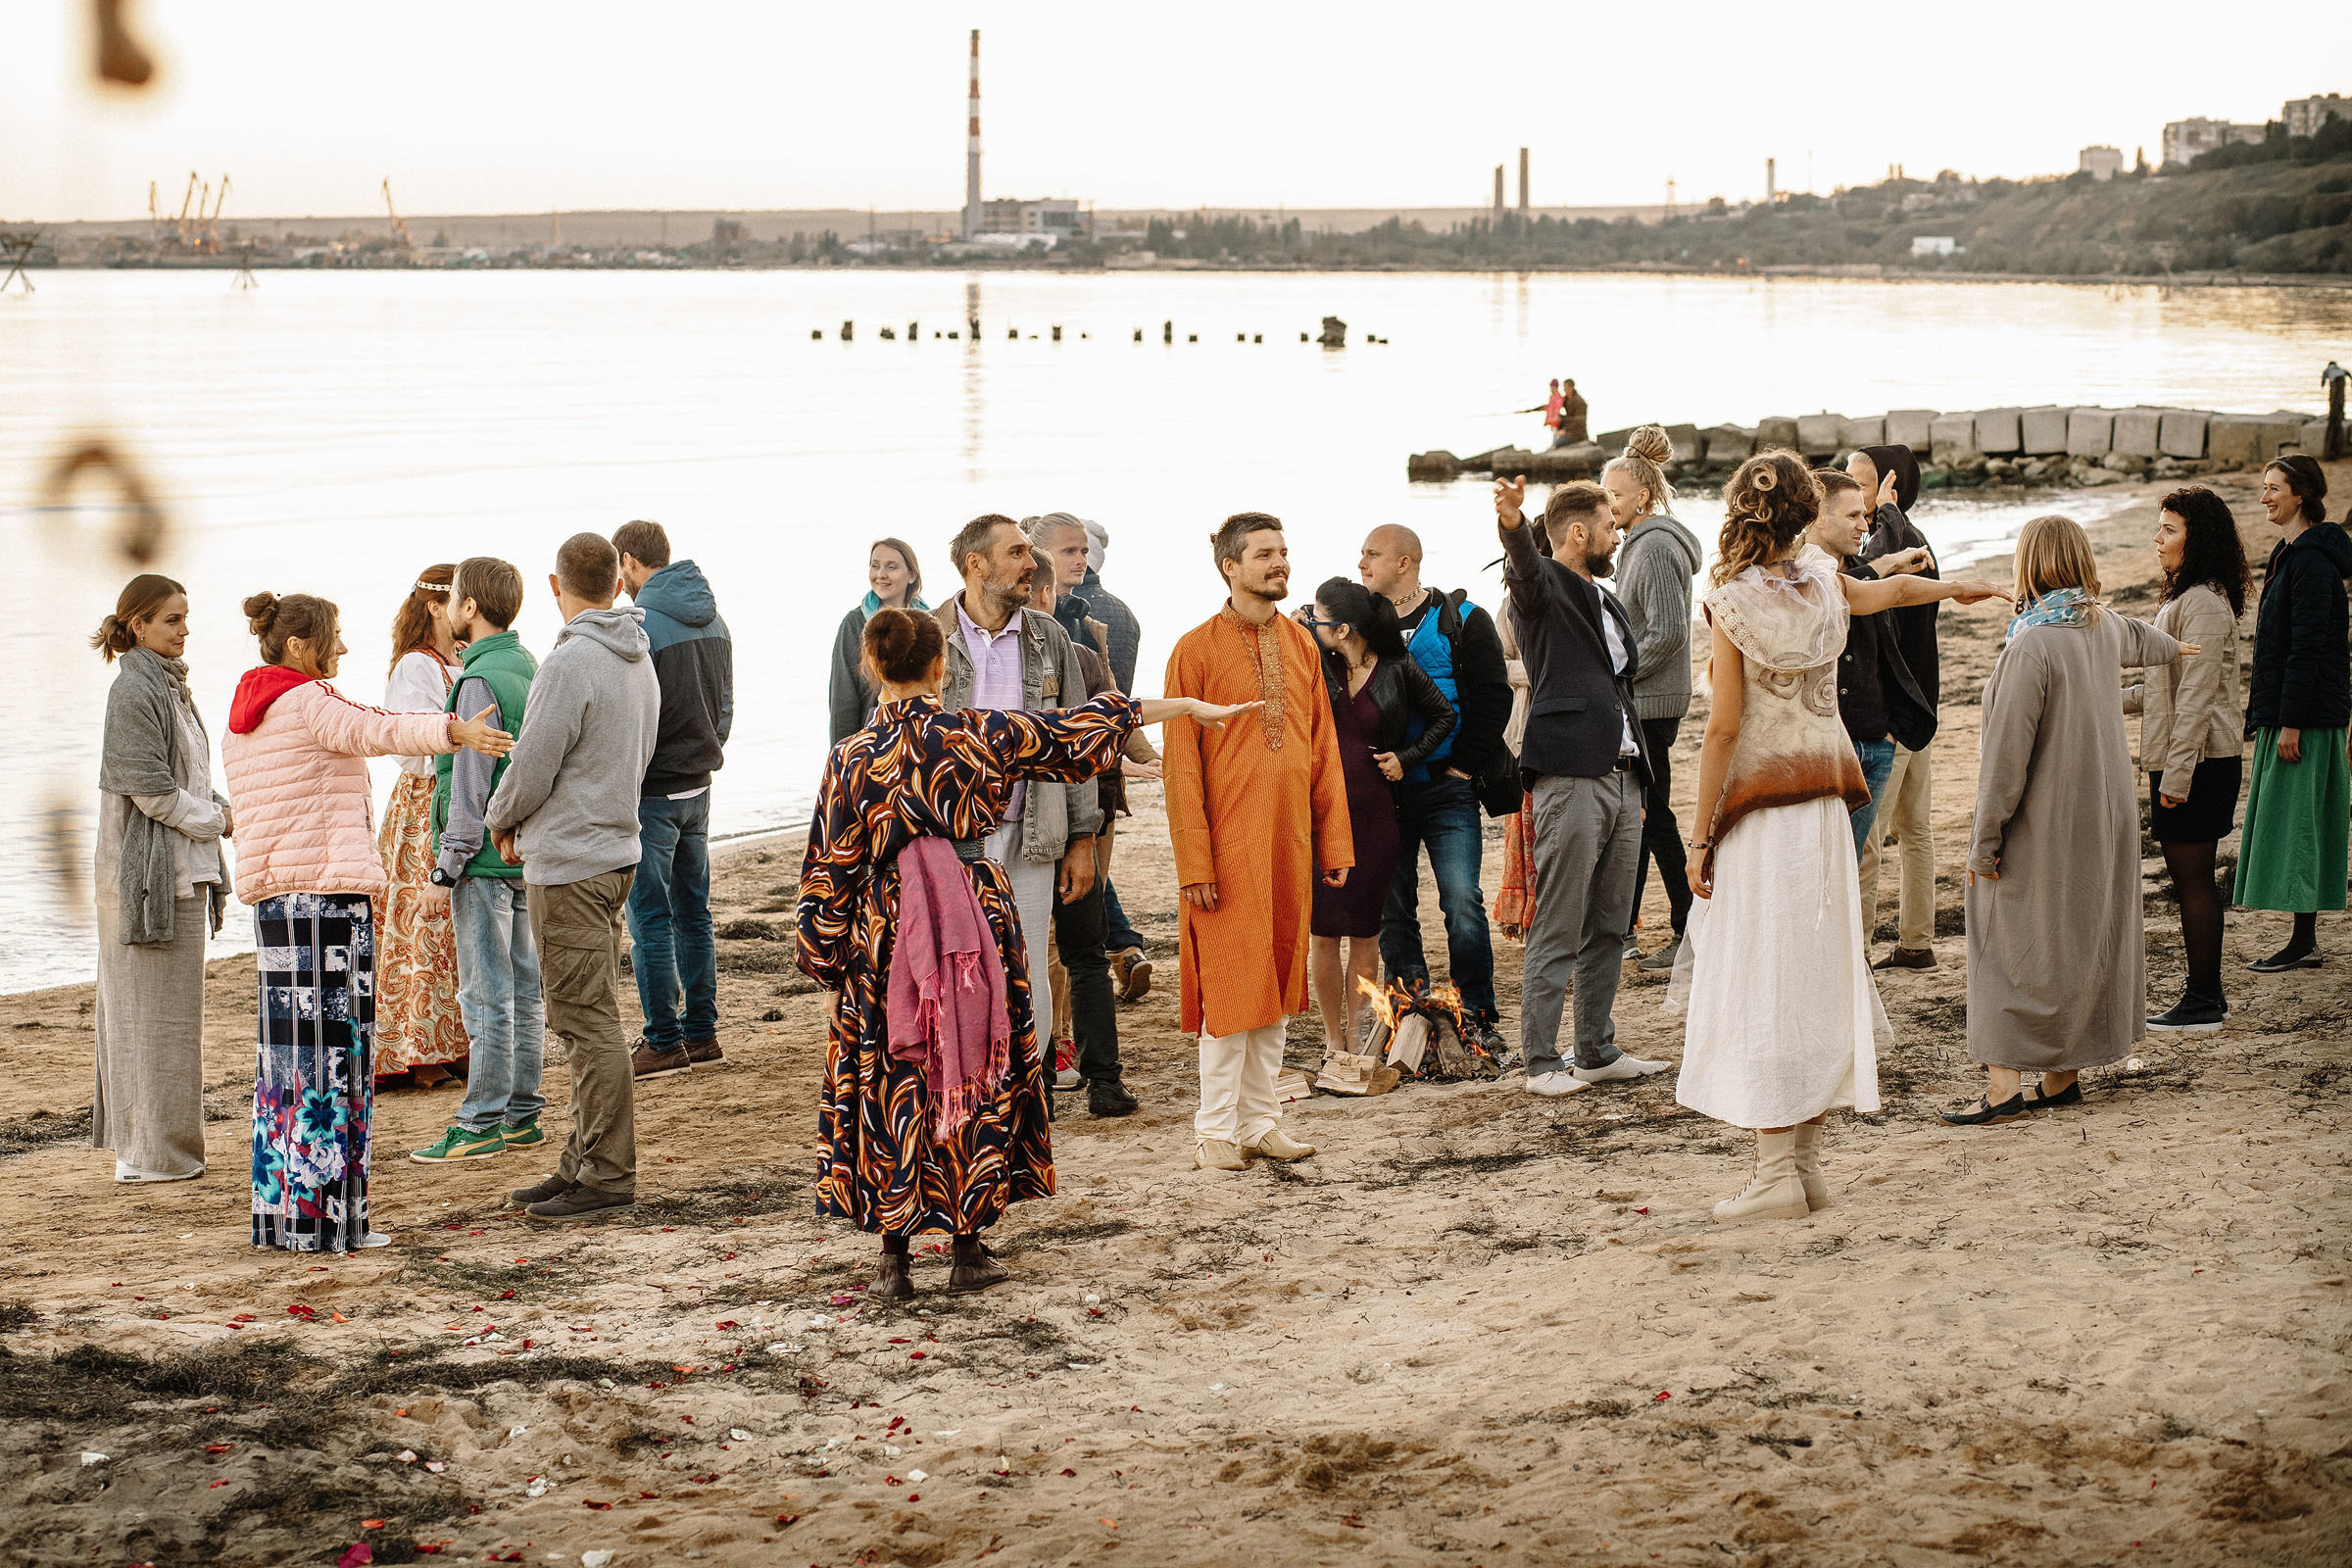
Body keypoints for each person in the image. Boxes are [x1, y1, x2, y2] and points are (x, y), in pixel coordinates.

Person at [796, 608, 1254, 1297]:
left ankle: (893, 1257)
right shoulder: (978, 732)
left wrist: (831, 970)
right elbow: (1082, 727)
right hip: (973, 912)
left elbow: (828, 872)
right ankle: (966, 1247)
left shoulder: (850, 757)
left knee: (895, 1072)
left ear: (872, 668)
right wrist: (1185, 706)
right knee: (974, 1059)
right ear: (941, 666)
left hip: (887, 928)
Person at [1670, 455, 2004, 1215]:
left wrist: (1698, 837)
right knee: (1817, 972)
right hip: (1824, 809)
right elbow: (1893, 591)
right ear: (1803, 515)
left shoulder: (1731, 601)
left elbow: (1723, 730)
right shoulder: (1824, 584)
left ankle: (1774, 1174)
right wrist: (1957, 586)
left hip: (1761, 815)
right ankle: (1804, 1166)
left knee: (1765, 974)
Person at [221, 590, 514, 1250]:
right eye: (335, 637)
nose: (345, 648)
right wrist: (454, 731)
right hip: (327, 905)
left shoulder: (247, 714)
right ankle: (329, 1226)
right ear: (299, 646)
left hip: (277, 907)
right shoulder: (309, 702)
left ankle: (283, 1221)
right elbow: (376, 727)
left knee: (287, 1064)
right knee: (335, 1061)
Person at [1949, 515, 2191, 1127]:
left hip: (2047, 819)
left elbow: (2006, 762)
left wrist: (1985, 842)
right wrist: (2179, 647)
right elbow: (2145, 639)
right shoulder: (2098, 624)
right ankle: (2061, 1079)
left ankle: (2003, 1087)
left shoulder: (2032, 644)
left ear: (2029, 564)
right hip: (2104, 815)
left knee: (2001, 936)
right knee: (2079, 937)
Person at [1166, 514, 1354, 1170]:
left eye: (1283, 552)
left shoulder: (1301, 645)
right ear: (1230, 566)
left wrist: (1334, 843)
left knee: (1277, 982)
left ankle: (1260, 1122)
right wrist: (1195, 861)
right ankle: (1215, 1130)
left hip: (1288, 846)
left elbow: (1323, 749)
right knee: (1231, 986)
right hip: (1225, 851)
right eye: (1264, 554)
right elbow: (1181, 767)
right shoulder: (1194, 650)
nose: (1279, 564)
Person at [486, 533, 662, 1222]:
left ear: (556, 586)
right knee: (583, 1013)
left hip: (572, 864)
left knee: (586, 1021)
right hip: (614, 850)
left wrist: (501, 818)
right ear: (617, 584)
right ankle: (580, 1162)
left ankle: (608, 1174)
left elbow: (532, 764)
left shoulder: (571, 662)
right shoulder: (637, 656)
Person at [1492, 479, 1667, 1097]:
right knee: (1560, 921)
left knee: (1611, 923)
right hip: (1570, 774)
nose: (1617, 536)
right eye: (1610, 526)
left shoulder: (1607, 599)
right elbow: (1523, 568)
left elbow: (1621, 683)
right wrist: (1514, 523)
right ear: (1577, 531)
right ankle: (1540, 1063)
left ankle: (1595, 1051)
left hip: (1624, 775)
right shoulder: (1542, 586)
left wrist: (1637, 780)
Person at [933, 514, 1102, 1098]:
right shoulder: (928, 634)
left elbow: (1077, 745)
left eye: (1031, 552)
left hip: (1034, 834)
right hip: (949, 839)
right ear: (975, 563)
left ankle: (1025, 1092)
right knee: (956, 966)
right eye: (1017, 553)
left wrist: (1082, 838)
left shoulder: (1049, 637)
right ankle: (966, 1091)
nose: (1032, 564)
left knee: (1028, 968)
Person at [91, 574, 230, 1184]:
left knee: (172, 1022)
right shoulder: (133, 691)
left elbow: (188, 781)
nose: (184, 630)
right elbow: (152, 794)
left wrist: (224, 807)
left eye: (185, 617)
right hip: (147, 878)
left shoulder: (171, 688)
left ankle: (163, 1150)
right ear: (138, 625)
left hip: (180, 870)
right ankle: (148, 1156)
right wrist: (220, 821)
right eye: (172, 619)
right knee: (145, 1019)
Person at [409, 557, 546, 1164]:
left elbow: (469, 784)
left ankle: (481, 1120)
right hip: (524, 854)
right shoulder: (530, 667)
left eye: (455, 600)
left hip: (484, 861)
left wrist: (447, 867)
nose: (448, 611)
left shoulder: (476, 681)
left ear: (469, 607)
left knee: (485, 994)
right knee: (525, 990)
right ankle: (522, 1114)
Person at [1356, 523, 1511, 1055]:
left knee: (1462, 901)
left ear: (1404, 563)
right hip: (1385, 793)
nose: (1361, 564)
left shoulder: (1462, 619)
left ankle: (1478, 1014)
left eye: (1372, 554)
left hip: (1448, 788)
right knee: (1393, 906)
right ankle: (1411, 1011)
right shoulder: (1359, 626)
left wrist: (1463, 768)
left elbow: (1494, 698)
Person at [1022, 517, 1154, 1116]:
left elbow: (1106, 724)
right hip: (1056, 817)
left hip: (1069, 815)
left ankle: (1088, 1076)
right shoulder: (1076, 645)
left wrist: (1091, 822)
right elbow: (1108, 727)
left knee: (1068, 950)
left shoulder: (1085, 643)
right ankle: (1080, 1075)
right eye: (1068, 552)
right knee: (1075, 952)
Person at [1298, 577, 1455, 1055]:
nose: (1313, 622)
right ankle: (1333, 1038)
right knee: (1324, 932)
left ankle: (1357, 1034)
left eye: (1320, 618)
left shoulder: (1397, 667)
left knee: (1366, 932)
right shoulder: (1315, 661)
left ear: (1344, 629)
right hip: (1320, 812)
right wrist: (1303, 623)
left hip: (1374, 811)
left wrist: (1407, 758)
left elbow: (1444, 715)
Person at [612, 520, 734, 1079]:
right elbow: (725, 704)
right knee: (693, 913)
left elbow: (632, 716)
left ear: (629, 561)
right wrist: (708, 749)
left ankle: (663, 1039)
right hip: (698, 783)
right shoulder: (715, 618)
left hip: (654, 790)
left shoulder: (642, 625)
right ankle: (702, 1033)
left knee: (651, 919)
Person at [2124, 489, 2249, 1031]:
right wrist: (2097, 693)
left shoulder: (2201, 603)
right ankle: (2205, 996)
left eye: (2169, 529)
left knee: (2194, 882)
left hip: (2199, 762)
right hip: (2190, 759)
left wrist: (2176, 777)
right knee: (2190, 880)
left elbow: (2196, 697)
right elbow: (2163, 688)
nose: (2158, 539)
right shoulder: (2193, 597)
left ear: (2196, 539)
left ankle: (2203, 1001)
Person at [2234, 456, 2351, 971]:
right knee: (2293, 824)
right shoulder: (2288, 553)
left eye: (2273, 488)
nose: (2264, 497)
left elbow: (2309, 647)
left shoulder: (2312, 562)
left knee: (2301, 826)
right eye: (2264, 488)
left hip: (2306, 718)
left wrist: (2292, 722)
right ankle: (2304, 940)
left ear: (2300, 495)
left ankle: (2304, 942)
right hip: (2289, 712)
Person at [1604, 425, 1705, 970]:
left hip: (1652, 702)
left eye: (1615, 495)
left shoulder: (1658, 547)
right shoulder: (1639, 546)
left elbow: (1667, 631)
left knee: (1655, 814)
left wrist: (1618, 674)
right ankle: (1624, 930)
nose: (1608, 504)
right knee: (1642, 813)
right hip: (1643, 700)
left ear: (1642, 496)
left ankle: (1688, 931)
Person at [373, 564, 470, 1090]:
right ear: (435, 606)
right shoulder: (416, 665)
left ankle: (457, 1041)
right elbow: (408, 743)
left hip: (462, 794)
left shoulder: (463, 657)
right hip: (426, 799)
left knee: (456, 923)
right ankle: (420, 1048)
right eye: (459, 600)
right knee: (422, 921)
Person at [1848, 443, 1943, 970]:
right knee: (1914, 829)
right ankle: (1916, 941)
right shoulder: (1907, 536)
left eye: (1860, 484)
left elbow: (1865, 578)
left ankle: (1859, 952)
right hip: (1918, 704)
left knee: (1869, 839)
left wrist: (1884, 513)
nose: (1849, 492)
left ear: (1890, 487)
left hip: (1895, 712)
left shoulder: (1896, 538)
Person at [1806, 470, 1935, 859]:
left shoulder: (1871, 569)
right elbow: (1831, 590)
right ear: (1816, 516)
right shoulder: (1789, 576)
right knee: (1815, 868)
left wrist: (1888, 735)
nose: (1864, 526)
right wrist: (1888, 563)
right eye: (1853, 516)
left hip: (1876, 747)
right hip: (1821, 751)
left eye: (1866, 515)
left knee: (1850, 864)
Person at [1069, 517, 1152, 999]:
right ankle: (1124, 948)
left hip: (1080, 762)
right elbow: (1120, 699)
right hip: (1107, 763)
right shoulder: (1122, 613)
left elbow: (1101, 701)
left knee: (1083, 879)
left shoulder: (1078, 618)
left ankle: (1120, 950)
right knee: (1094, 872)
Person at [828, 538, 927, 745]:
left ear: (912, 575)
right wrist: (841, 754)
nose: (880, 574)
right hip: (871, 744)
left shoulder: (929, 623)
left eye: (891, 567)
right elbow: (843, 700)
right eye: (875, 566)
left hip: (921, 740)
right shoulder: (854, 624)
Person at [1490, 600, 1536, 943]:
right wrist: (1537, 671)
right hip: (1522, 734)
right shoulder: (1509, 608)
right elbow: (1498, 664)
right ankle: (1529, 919)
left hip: (1565, 738)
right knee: (1526, 828)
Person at [1557, 378, 1589, 446]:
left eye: (1565, 387)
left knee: (1558, 442)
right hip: (1570, 432)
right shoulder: (1566, 399)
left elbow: (1578, 421)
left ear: (1571, 387)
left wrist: (1565, 431)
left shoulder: (1579, 402)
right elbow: (1555, 404)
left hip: (1578, 435)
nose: (1564, 390)